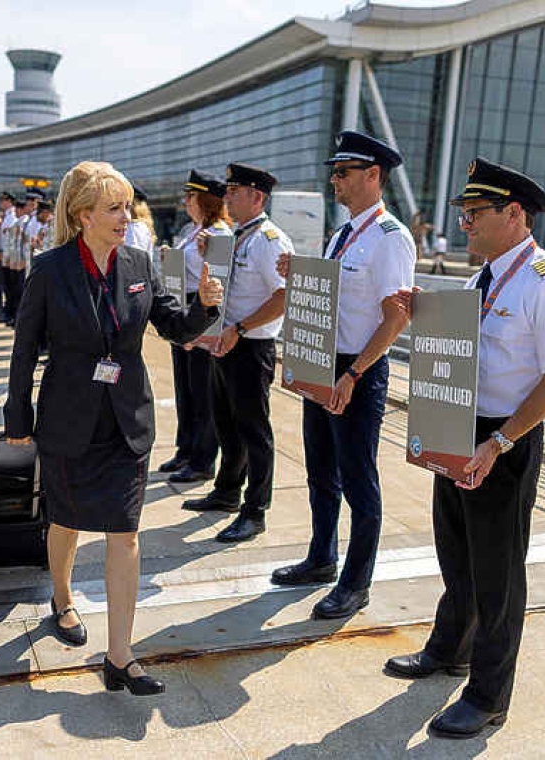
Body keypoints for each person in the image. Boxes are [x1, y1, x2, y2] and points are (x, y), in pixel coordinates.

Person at [385, 158, 545, 738]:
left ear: (514, 213)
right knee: (456, 553)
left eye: (475, 214)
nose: (465, 224)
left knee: (498, 575)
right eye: (464, 214)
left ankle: (489, 695)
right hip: (458, 428)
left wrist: (499, 441)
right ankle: (450, 649)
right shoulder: (484, 277)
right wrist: (414, 313)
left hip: (506, 438)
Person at [4, 160, 222, 695]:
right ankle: (62, 596)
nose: (126, 216)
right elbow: (25, 348)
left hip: (127, 421)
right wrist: (18, 417)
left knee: (124, 532)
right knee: (67, 521)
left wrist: (205, 309)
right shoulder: (50, 269)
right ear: (83, 216)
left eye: (126, 206)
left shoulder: (139, 262)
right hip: (68, 419)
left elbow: (171, 325)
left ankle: (121, 655)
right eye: (114, 208)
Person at [271, 131, 414, 620]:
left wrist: (353, 374)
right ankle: (321, 557)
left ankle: (356, 583)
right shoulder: (343, 233)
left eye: (343, 172)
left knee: (358, 480)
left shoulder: (390, 238)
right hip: (324, 364)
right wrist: (301, 271)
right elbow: (336, 293)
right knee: (320, 471)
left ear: (373, 175)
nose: (335, 180)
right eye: (334, 172)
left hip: (358, 370)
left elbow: (395, 318)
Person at [183, 163, 292, 544]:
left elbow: (283, 296)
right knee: (226, 424)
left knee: (254, 431)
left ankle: (255, 509)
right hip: (225, 342)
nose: (226, 197)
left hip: (250, 345)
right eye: (226, 190)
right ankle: (228, 490)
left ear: (256, 196)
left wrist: (241, 329)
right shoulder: (238, 236)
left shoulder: (269, 240)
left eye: (234, 191)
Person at [158, 170, 230, 484]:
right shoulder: (192, 230)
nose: (186, 202)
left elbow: (218, 278)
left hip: (202, 309)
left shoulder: (219, 233)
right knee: (184, 388)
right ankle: (185, 449)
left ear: (206, 200)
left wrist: (206, 254)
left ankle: (202, 458)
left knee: (202, 392)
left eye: (191, 196)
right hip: (183, 307)